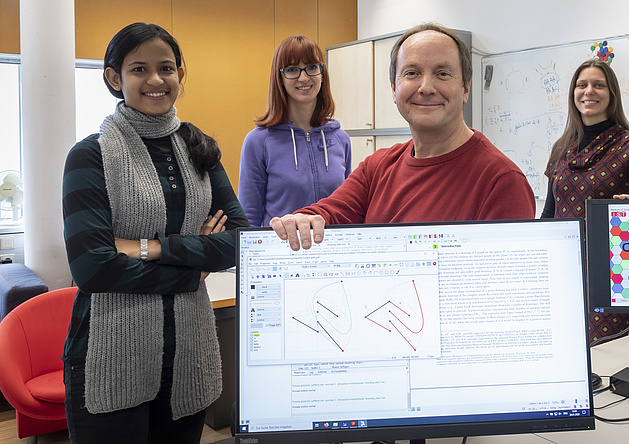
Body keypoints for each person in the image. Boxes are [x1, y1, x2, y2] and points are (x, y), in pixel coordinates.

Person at [61, 22, 248, 443]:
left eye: (166, 68)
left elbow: (238, 239)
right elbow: (94, 268)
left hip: (190, 354)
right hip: (110, 355)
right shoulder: (90, 156)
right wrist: (195, 268)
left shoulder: (200, 150)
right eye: (139, 69)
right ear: (115, 77)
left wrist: (144, 248)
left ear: (180, 73)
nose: (156, 80)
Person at [270, 23, 535, 248]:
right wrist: (302, 220)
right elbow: (330, 212)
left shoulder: (501, 182)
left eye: (442, 74)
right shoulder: (377, 168)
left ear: (465, 88)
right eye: (412, 73)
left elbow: (505, 291)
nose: (426, 87)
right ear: (394, 89)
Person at [541, 59, 629, 345]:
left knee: (603, 357)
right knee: (562, 349)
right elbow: (549, 213)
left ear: (612, 94)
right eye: (582, 85)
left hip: (611, 274)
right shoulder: (561, 147)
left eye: (598, 85)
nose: (588, 91)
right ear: (573, 93)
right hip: (562, 269)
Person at [239, 36, 351, 227]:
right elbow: (249, 216)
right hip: (280, 252)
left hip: (332, 251)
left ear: (322, 74)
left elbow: (349, 206)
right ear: (280, 78)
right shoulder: (258, 141)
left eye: (312, 67)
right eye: (292, 70)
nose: (304, 77)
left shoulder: (340, 139)